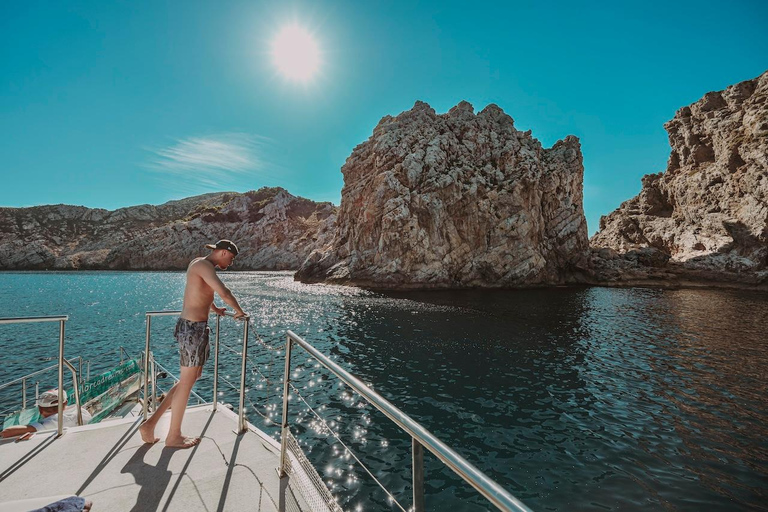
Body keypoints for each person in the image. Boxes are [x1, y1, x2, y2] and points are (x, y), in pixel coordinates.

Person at [140, 239, 248, 448]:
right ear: (224, 253)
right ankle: (173, 436)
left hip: (196, 328)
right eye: (232, 259)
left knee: (190, 378)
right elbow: (224, 292)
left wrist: (214, 309)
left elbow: (201, 291)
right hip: (192, 329)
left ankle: (150, 423)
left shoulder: (198, 263)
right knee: (187, 381)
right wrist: (239, 311)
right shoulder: (203, 266)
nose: (231, 264)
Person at [1, 389, 93, 438]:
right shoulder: (82, 412)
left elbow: (6, 432)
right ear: (65, 403)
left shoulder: (49, 423)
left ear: (40, 409)